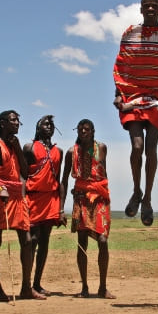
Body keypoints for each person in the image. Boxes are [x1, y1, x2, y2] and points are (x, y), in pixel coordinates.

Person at [113, 0, 158, 227]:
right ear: (141, 9)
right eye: (146, 5)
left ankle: (148, 199)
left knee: (150, 148)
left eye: (154, 6)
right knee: (137, 146)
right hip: (132, 95)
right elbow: (121, 65)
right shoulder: (130, 33)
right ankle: (136, 191)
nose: (150, 9)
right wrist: (118, 95)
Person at [0, 110, 46, 302]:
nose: (18, 123)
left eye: (18, 120)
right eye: (14, 120)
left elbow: (24, 171)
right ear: (3, 123)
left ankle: (26, 288)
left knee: (28, 241)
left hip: (17, 195)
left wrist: (17, 149)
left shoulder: (14, 144)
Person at [60, 119, 116, 299]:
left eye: (87, 129)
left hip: (99, 198)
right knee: (81, 242)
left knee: (103, 240)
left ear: (93, 131)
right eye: (80, 129)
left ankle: (102, 287)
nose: (83, 132)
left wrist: (103, 192)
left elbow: (103, 173)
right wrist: (61, 208)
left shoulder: (102, 148)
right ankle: (84, 287)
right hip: (81, 199)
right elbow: (64, 180)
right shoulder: (71, 152)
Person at [23, 115, 64, 296]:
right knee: (31, 241)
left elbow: (59, 179)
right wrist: (23, 199)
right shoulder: (29, 147)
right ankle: (27, 284)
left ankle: (37, 283)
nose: (49, 127)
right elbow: (23, 176)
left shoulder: (59, 151)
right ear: (38, 127)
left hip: (50, 199)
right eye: (45, 124)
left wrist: (61, 207)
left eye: (51, 124)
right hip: (33, 197)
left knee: (45, 242)